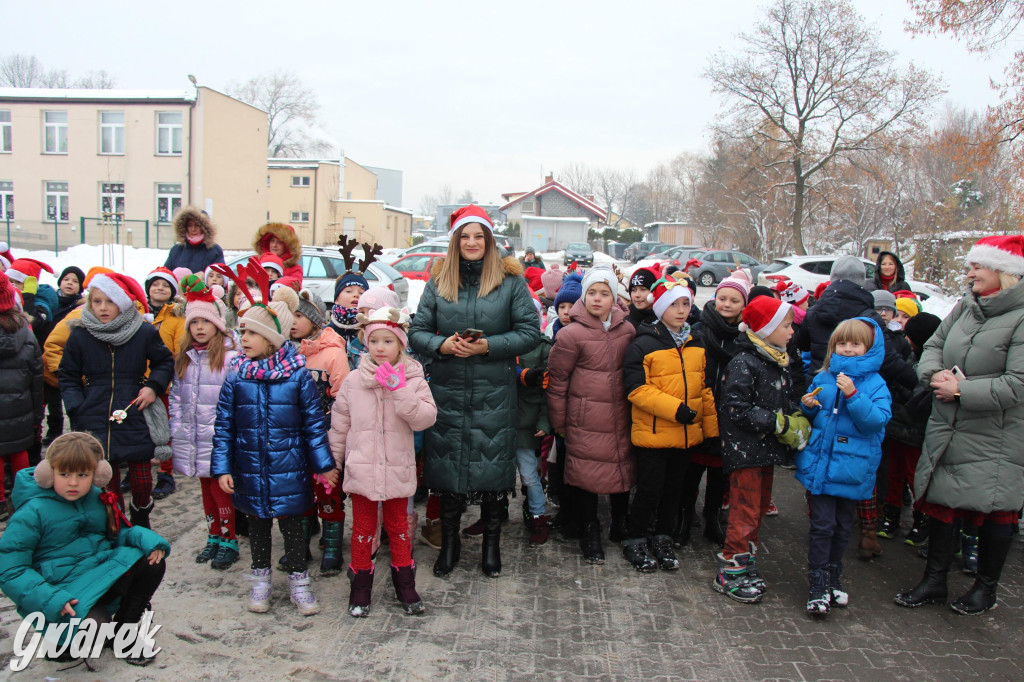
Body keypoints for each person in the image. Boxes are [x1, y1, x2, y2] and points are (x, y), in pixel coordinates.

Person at [408, 204, 540, 580]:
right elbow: (417, 331)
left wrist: (488, 346)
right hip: (448, 393)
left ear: (489, 240)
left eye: (478, 236)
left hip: (493, 393)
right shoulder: (438, 282)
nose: (471, 242)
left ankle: (491, 547)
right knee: (448, 475)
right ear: (455, 241)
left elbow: (530, 332)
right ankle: (449, 546)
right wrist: (441, 346)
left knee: (493, 475)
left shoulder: (510, 282)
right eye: (464, 236)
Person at [896, 235, 1024, 615]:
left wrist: (962, 390)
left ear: (1005, 273)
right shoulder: (965, 307)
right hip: (947, 423)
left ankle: (985, 589)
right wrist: (934, 375)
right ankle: (934, 581)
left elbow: (1018, 383)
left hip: (995, 434)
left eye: (976, 267)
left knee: (995, 511)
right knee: (942, 503)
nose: (969, 273)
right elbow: (933, 344)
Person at [211, 266, 336, 616]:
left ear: (272, 338)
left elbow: (314, 425)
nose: (244, 338)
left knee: (294, 528)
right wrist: (222, 467)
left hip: (290, 469)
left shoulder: (297, 378)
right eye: (242, 331)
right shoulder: (237, 378)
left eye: (251, 332)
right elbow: (224, 427)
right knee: (258, 527)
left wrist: (323, 466)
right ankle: (261, 580)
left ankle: (299, 581)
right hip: (249, 469)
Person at [0, 432, 170, 667]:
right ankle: (62, 641)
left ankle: (125, 630)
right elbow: (11, 571)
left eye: (82, 475)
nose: (73, 482)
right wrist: (51, 599)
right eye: (64, 474)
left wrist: (148, 540)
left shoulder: (97, 496)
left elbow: (117, 533)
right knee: (92, 633)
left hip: (98, 576)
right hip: (62, 592)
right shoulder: (32, 512)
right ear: (49, 474)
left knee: (150, 561)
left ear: (96, 474)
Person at [329, 307, 437, 617]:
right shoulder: (353, 381)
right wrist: (332, 463)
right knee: (362, 529)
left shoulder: (413, 376)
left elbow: (426, 418)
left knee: (399, 528)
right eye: (373, 340)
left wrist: (399, 389)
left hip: (397, 470)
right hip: (362, 471)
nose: (379, 347)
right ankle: (360, 586)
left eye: (388, 341)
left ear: (401, 344)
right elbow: (340, 426)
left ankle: (405, 583)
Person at [58, 273, 174, 529]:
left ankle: (141, 516)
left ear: (121, 303)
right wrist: (77, 406)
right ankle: (117, 524)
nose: (102, 307)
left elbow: (163, 361)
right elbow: (67, 374)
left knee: (142, 479)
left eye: (109, 301)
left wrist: (153, 387)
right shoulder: (80, 334)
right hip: (94, 413)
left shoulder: (142, 332)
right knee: (105, 479)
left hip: (134, 410)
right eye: (96, 301)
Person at [715, 296, 808, 603]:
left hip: (765, 450)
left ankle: (746, 564)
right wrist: (777, 423)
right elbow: (736, 410)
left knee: (757, 512)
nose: (791, 331)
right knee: (744, 512)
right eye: (785, 325)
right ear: (765, 329)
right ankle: (729, 573)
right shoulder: (744, 362)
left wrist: (795, 415)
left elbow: (782, 399)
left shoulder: (776, 359)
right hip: (745, 453)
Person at [622, 273, 717, 572]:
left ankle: (663, 536)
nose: (680, 309)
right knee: (649, 489)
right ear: (660, 307)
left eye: (685, 303)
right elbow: (637, 389)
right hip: (654, 435)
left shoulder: (696, 343)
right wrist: (676, 409)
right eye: (673, 304)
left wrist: (711, 431)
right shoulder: (643, 344)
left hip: (687, 436)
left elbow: (704, 389)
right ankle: (635, 538)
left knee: (675, 490)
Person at [798, 319, 891, 616]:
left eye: (855, 344)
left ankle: (833, 576)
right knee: (822, 526)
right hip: (822, 468)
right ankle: (817, 583)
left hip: (852, 470)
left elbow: (876, 421)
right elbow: (813, 415)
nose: (848, 349)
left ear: (869, 348)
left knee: (841, 528)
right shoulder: (824, 376)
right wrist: (807, 406)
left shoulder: (876, 383)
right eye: (842, 344)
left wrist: (853, 395)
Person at [547, 265, 636, 564]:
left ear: (614, 298)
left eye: (605, 293)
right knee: (586, 476)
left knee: (622, 471)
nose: (598, 299)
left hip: (620, 416)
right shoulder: (571, 334)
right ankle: (589, 529)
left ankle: (620, 523)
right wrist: (559, 422)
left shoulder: (627, 330)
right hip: (584, 419)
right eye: (592, 293)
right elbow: (557, 382)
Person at [169, 275, 240, 570]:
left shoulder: (230, 358)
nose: (199, 328)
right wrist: (176, 429)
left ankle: (229, 538)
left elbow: (237, 399)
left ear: (218, 324)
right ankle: (213, 535)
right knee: (204, 488)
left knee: (220, 488)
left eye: (205, 322)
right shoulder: (184, 359)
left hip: (219, 437)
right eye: (194, 323)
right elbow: (175, 397)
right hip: (193, 436)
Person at [680, 274, 750, 547]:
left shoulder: (745, 336)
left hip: (729, 413)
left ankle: (712, 518)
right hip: (700, 407)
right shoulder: (698, 329)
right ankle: (685, 517)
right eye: (722, 298)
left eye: (734, 300)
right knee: (692, 469)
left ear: (743, 304)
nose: (727, 304)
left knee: (720, 473)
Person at [290, 290, 350, 575]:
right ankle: (299, 546)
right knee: (300, 492)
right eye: (289, 315)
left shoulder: (333, 353)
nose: (292, 321)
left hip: (325, 439)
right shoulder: (288, 353)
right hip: (294, 438)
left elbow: (343, 399)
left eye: (299, 315)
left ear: (314, 320)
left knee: (328, 490)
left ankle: (332, 545)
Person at [878, 312, 941, 547]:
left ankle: (920, 520)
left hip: (916, 430)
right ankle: (891, 515)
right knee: (895, 473)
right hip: (897, 426)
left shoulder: (932, 364)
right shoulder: (909, 356)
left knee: (916, 476)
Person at [0, 272, 43, 520]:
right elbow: (36, 375)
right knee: (19, 450)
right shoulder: (25, 332)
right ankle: (23, 498)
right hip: (21, 405)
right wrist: (37, 411)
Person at [144, 267, 187, 502]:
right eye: (155, 284)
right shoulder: (137, 312)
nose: (159, 288)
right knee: (138, 428)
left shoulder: (176, 316)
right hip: (138, 380)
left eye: (165, 285)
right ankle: (136, 469)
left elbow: (180, 348)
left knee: (163, 430)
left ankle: (165, 472)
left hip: (164, 382)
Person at [514, 299, 553, 545]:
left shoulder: (543, 348)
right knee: (496, 475)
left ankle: (539, 515)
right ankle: (492, 514)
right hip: (499, 421)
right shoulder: (504, 344)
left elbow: (548, 392)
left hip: (527, 424)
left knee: (529, 475)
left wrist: (543, 421)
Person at [164, 207, 224, 273]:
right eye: (190, 225)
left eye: (197, 225)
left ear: (204, 228)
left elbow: (219, 277)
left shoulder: (215, 250)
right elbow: (166, 274)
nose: (193, 229)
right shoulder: (177, 250)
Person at [625, 264, 661, 330]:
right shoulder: (625, 320)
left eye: (643, 289)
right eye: (633, 290)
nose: (637, 295)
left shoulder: (666, 318)